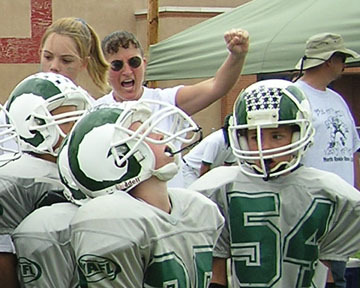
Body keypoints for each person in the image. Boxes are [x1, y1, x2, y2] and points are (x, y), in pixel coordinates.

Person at [190, 79, 360, 288]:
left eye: (277, 136)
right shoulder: (219, 187)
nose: (265, 147)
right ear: (241, 138)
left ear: (299, 133)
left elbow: (330, 268)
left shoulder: (329, 190)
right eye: (255, 137)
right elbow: (216, 270)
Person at [57, 100, 224, 287]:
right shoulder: (112, 222)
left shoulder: (197, 207)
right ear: (116, 160)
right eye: (144, 133)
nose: (160, 136)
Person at [98, 29, 249, 187]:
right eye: (117, 65)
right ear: (105, 69)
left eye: (134, 62)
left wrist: (237, 56)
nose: (127, 71)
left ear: (144, 63)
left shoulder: (167, 101)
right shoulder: (97, 111)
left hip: (171, 204)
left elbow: (216, 86)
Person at [0, 72, 92, 288]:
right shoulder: (14, 179)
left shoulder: (74, 171)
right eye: (67, 120)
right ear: (33, 128)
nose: (77, 127)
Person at [294, 32, 360, 287]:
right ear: (328, 60)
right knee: (310, 274)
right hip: (310, 203)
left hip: (341, 205)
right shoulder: (295, 96)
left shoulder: (337, 98)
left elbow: (353, 149)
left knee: (337, 274)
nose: (344, 64)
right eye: (341, 58)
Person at [40, 17, 109, 94]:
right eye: (48, 57)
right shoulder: (26, 97)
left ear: (83, 63)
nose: (54, 67)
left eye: (66, 60)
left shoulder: (85, 104)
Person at [182, 113, 236, 188]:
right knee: (194, 195)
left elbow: (226, 167)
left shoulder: (234, 143)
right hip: (189, 169)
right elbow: (205, 167)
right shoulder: (216, 140)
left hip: (201, 171)